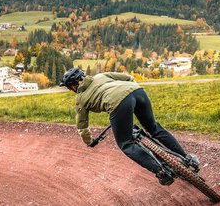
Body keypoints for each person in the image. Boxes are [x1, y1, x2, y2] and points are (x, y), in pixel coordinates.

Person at [59, 67, 198, 185]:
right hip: (137, 91)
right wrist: (131, 90)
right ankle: (188, 159)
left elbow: (82, 126)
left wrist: (90, 142)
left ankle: (161, 172)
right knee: (153, 128)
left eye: (68, 87)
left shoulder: (80, 99)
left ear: (73, 85)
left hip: (118, 103)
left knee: (125, 143)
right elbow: (128, 77)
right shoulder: (101, 76)